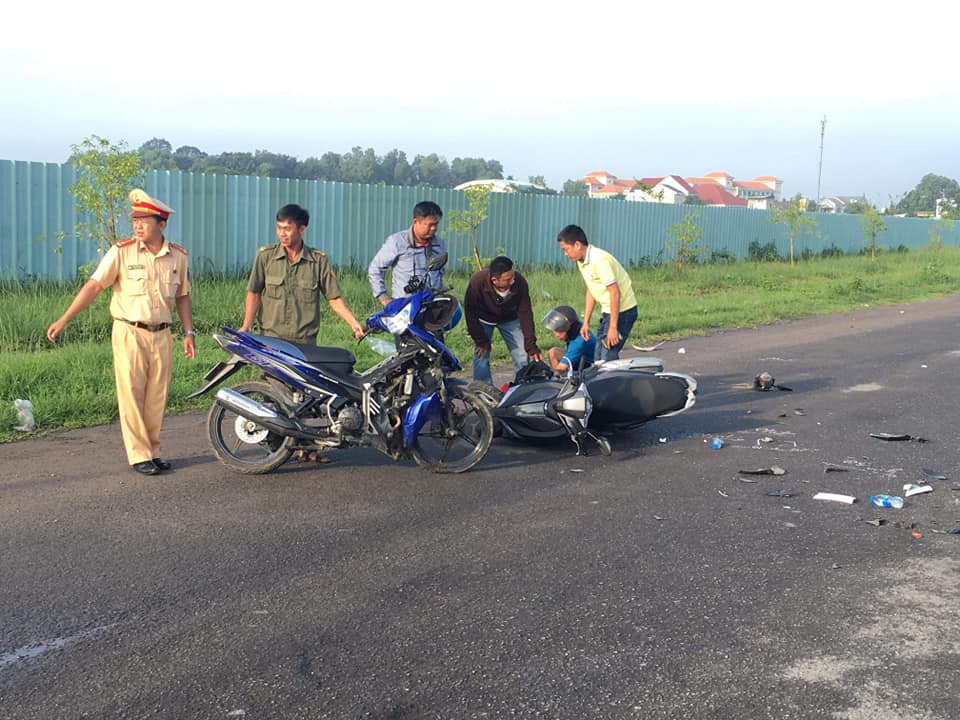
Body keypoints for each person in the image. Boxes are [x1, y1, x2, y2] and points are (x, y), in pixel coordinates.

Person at [47, 189, 196, 476]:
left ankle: (153, 451)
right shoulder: (121, 251)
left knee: (157, 396)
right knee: (131, 393)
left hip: (163, 334)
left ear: (161, 224)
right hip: (130, 332)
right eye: (135, 220)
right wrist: (65, 318)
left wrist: (189, 332)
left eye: (144, 220)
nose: (138, 225)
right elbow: (93, 286)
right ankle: (139, 454)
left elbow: (183, 297)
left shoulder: (177, 256)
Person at [240, 204, 365, 344]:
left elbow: (334, 298)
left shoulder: (318, 261)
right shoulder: (265, 256)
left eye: (287, 229)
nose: (281, 233)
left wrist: (353, 323)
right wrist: (247, 325)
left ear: (302, 229)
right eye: (279, 227)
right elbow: (254, 292)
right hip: (270, 340)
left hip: (305, 342)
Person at [557, 224, 638, 361]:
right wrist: (586, 322)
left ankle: (616, 381)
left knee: (608, 357)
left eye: (566, 249)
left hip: (623, 311)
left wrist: (613, 327)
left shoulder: (599, 259)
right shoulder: (581, 261)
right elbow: (591, 289)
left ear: (577, 244)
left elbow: (615, 293)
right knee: (598, 357)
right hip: (608, 312)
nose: (565, 254)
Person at [463, 255, 542, 384]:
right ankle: (482, 391)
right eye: (508, 279)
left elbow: (525, 312)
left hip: (510, 318)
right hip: (484, 318)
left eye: (513, 277)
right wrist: (480, 340)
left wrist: (531, 345)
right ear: (495, 280)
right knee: (481, 354)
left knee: (522, 353)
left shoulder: (519, 282)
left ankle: (521, 387)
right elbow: (470, 312)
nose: (512, 281)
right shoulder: (477, 282)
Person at [368, 201, 447, 305]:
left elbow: (440, 272)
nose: (434, 228)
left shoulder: (440, 244)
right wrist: (383, 297)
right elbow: (375, 268)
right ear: (415, 222)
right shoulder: (397, 242)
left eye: (436, 224)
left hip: (433, 307)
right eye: (430, 225)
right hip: (404, 307)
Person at [542, 305, 596, 374]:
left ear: (570, 329)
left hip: (589, 368)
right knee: (553, 352)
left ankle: (561, 381)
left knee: (559, 370)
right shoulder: (577, 327)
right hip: (580, 357)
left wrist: (549, 374)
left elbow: (562, 367)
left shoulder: (579, 342)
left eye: (559, 330)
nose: (556, 334)